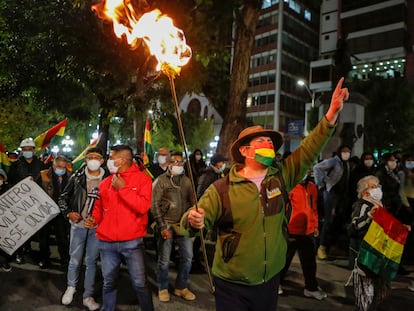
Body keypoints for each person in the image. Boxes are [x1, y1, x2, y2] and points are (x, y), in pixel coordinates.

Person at [184, 78, 349, 311]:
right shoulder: (222, 188)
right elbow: (192, 221)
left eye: (271, 142)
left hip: (269, 281)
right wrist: (193, 219)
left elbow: (310, 148)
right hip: (232, 285)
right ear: (244, 150)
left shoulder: (281, 177)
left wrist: (331, 114)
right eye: (261, 141)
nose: (269, 145)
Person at [84, 144, 154, 311]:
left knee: (140, 283)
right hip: (106, 242)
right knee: (109, 282)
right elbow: (99, 210)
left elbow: (143, 207)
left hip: (132, 242)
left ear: (122, 160)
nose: (108, 161)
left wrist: (123, 189)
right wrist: (93, 220)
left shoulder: (143, 180)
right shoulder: (106, 182)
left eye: (111, 157)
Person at [58, 147, 109, 311]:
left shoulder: (109, 179)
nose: (93, 160)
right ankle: (71, 287)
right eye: (90, 157)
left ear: (102, 161)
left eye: (96, 157)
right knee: (75, 259)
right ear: (85, 160)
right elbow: (63, 198)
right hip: (78, 226)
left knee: (92, 261)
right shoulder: (77, 178)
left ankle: (88, 295)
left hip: (97, 227)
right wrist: (69, 213)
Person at [151, 151, 196, 302]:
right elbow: (154, 205)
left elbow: (193, 201)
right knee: (164, 259)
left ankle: (181, 287)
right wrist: (162, 226)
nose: (178, 165)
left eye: (181, 162)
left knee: (188, 257)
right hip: (167, 223)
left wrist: (193, 217)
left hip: (183, 224)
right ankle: (162, 287)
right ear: (169, 164)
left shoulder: (187, 181)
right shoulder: (160, 181)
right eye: (175, 162)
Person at [279, 168, 327, 300]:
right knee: (283, 260)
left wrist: (315, 225)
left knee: (310, 262)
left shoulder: (312, 187)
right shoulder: (289, 187)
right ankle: (276, 283)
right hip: (291, 229)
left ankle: (311, 288)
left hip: (308, 230)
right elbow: (282, 208)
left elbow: (314, 207)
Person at [347, 175, 390, 311]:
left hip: (377, 255)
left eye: (378, 186)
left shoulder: (378, 204)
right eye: (373, 187)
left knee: (380, 291)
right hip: (364, 256)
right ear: (365, 192)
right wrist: (369, 217)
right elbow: (353, 228)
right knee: (366, 297)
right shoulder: (363, 205)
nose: (377, 189)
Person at [313, 144, 352, 260]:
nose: (346, 154)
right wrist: (322, 184)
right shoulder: (333, 162)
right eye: (344, 151)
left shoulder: (346, 163)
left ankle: (330, 246)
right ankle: (321, 247)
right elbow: (317, 168)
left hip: (341, 196)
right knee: (329, 220)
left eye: (348, 151)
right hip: (331, 194)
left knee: (337, 221)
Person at [9, 138, 45, 264]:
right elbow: (11, 183)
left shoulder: (41, 165)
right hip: (21, 203)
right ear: (22, 151)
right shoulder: (15, 165)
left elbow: (46, 183)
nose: (27, 151)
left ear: (34, 150)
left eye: (30, 149)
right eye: (25, 150)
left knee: (40, 232)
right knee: (21, 228)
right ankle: (20, 252)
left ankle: (42, 257)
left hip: (37, 203)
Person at [36, 155, 71, 269]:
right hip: (46, 211)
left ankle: (65, 260)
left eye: (63, 166)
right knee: (44, 238)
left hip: (61, 212)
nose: (61, 169)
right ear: (53, 165)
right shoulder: (43, 174)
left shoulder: (70, 177)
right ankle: (44, 259)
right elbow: (34, 190)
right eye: (59, 166)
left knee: (62, 238)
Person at [0, 169, 12, 271]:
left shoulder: (9, 189)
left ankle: (4, 261)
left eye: (0, 178)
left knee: (4, 242)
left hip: (6, 221)